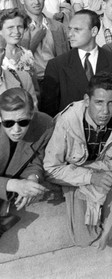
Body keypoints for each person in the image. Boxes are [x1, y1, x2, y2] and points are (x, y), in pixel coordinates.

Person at [43, 73, 112, 249]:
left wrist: (95, 173)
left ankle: (107, 231)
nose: (105, 111)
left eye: (111, 103)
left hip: (98, 174)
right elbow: (50, 169)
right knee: (82, 237)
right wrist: (90, 177)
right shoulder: (66, 121)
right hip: (70, 175)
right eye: (99, 102)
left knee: (111, 179)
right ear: (86, 100)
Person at [41, 10, 112, 116]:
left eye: (77, 29)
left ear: (94, 31)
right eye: (70, 29)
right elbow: (48, 110)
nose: (70, 34)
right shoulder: (57, 65)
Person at [0, 88, 51, 217]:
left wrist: (33, 179)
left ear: (32, 114)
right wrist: (14, 185)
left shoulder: (44, 124)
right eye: (8, 123)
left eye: (23, 122)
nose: (16, 130)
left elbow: (38, 157)